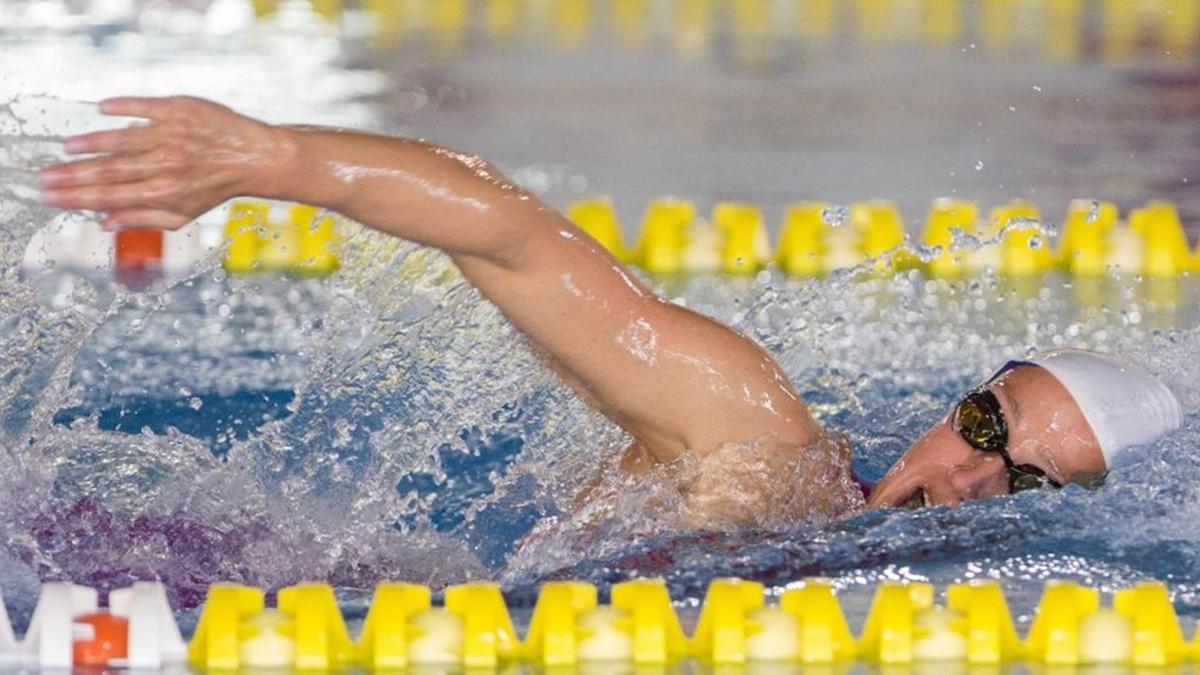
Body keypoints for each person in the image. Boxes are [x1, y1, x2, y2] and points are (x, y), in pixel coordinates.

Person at [37, 96, 1184, 527]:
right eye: (989, 430)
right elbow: (520, 238)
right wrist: (272, 156)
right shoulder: (757, 441)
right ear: (962, 400)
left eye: (1029, 480)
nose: (973, 480)